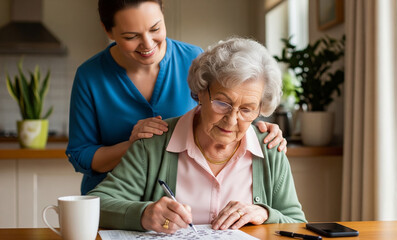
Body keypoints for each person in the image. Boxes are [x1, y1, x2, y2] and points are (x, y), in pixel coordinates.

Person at [66, 0, 288, 195]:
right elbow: (80, 155)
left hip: (179, 202)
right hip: (114, 201)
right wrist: (132, 146)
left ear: (163, 13)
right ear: (108, 30)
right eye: (131, 36)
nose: (147, 44)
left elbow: (222, 107)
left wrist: (259, 128)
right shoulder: (90, 76)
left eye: (155, 28)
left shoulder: (193, 58)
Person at [88, 37, 306, 233]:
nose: (231, 120)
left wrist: (264, 213)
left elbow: (297, 223)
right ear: (201, 92)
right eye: (222, 103)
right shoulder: (153, 144)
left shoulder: (270, 149)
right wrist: (144, 214)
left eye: (247, 109)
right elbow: (96, 204)